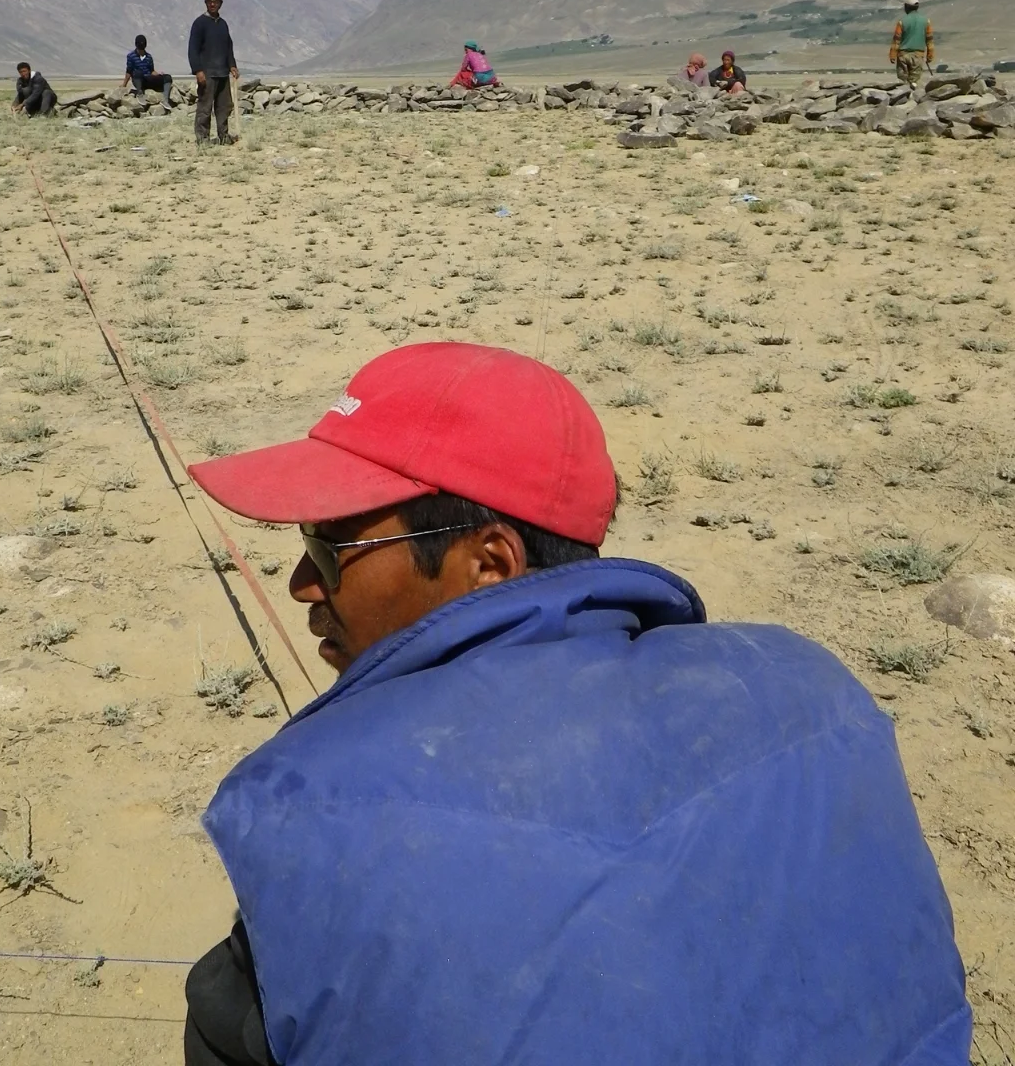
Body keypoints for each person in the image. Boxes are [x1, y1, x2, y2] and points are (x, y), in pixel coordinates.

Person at [182, 342, 970, 1066]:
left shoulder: (303, 808)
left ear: (489, 562)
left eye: (332, 546)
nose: (302, 584)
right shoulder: (814, 683)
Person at [188, 0, 239, 147]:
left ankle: (223, 136)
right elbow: (193, 49)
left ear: (220, 4)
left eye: (216, 2)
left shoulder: (223, 24)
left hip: (222, 72)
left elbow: (228, 47)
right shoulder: (199, 23)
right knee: (205, 106)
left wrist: (232, 65)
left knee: (224, 107)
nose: (212, 4)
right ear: (206, 3)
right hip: (207, 73)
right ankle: (202, 139)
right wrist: (198, 70)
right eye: (210, 1)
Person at [890, 0, 935, 86]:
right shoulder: (926, 21)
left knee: (903, 83)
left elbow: (896, 40)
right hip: (918, 56)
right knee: (914, 82)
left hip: (903, 56)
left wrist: (892, 55)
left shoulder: (902, 22)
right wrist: (930, 55)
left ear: (906, 7)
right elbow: (929, 40)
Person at [122, 33, 173, 108]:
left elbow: (152, 71)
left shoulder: (148, 57)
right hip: (139, 80)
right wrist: (124, 85)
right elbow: (129, 71)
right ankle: (140, 93)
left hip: (148, 79)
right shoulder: (131, 56)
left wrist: (159, 75)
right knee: (137, 73)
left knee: (168, 77)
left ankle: (165, 100)